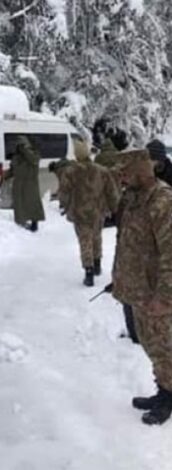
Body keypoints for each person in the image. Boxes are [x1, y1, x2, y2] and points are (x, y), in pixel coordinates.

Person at [110, 149, 172, 425]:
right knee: (151, 346)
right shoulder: (134, 197)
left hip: (157, 294)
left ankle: (168, 398)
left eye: (125, 172)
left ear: (140, 171)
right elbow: (128, 242)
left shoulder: (162, 201)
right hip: (138, 292)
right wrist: (120, 279)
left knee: (165, 348)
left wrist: (165, 296)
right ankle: (164, 390)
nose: (121, 177)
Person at [57, 140, 119, 286]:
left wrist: (64, 205)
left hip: (79, 212)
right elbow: (111, 192)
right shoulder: (102, 171)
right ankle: (97, 264)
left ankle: (89, 272)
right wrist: (115, 208)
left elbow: (64, 192)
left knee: (85, 241)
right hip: (98, 211)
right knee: (97, 237)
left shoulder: (70, 171)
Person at [4, 136, 45, 231]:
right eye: (18, 146)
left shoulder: (34, 153)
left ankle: (34, 223)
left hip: (30, 183)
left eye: (21, 145)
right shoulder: (16, 157)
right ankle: (21, 222)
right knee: (19, 204)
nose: (19, 147)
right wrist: (6, 175)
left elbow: (34, 160)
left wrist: (25, 150)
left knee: (33, 203)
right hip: (18, 183)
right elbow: (13, 169)